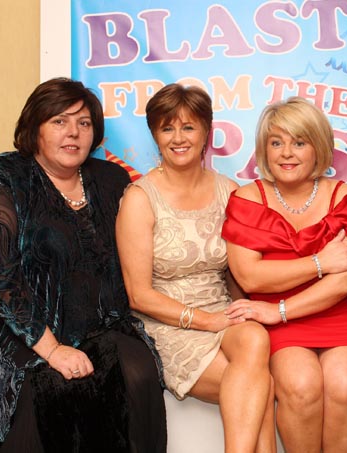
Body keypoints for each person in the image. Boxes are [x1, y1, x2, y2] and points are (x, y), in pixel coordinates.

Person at [0, 78, 166, 453]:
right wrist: (53, 349)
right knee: (48, 390)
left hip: (101, 322)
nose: (73, 132)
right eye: (60, 121)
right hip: (20, 332)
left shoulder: (111, 180)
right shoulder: (2, 177)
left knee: (138, 374)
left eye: (84, 123)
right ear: (35, 127)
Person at [115, 83, 276, 453]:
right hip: (168, 323)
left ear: (207, 131)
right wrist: (208, 321)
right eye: (167, 128)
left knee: (254, 338)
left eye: (188, 127)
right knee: (259, 388)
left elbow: (238, 273)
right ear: (155, 134)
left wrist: (244, 312)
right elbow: (138, 295)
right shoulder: (140, 198)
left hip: (224, 313)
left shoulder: (229, 191)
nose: (178, 138)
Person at [222, 96, 347, 453]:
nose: (287, 153)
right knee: (302, 385)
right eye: (276, 143)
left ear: (318, 147)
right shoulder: (248, 197)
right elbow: (251, 278)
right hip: (276, 323)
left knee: (346, 383)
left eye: (299, 142)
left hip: (339, 313)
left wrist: (281, 307)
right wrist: (320, 262)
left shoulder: (344, 195)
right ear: (264, 150)